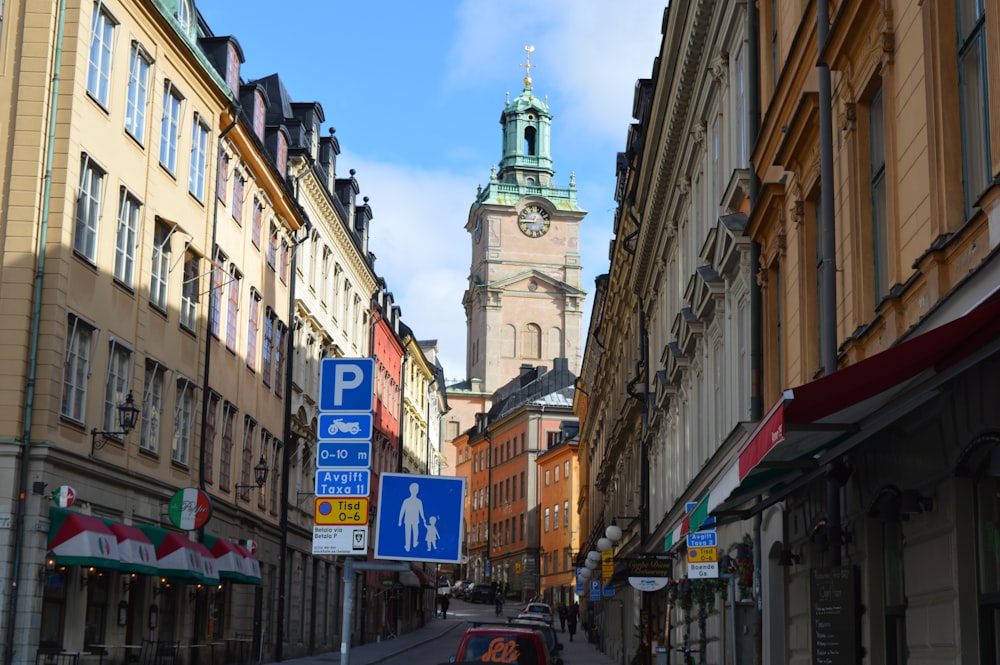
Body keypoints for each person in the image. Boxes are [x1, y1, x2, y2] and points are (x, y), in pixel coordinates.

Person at [398, 482, 425, 552]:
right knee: (408, 533)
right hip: (408, 519)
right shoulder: (406, 501)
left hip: (415, 519)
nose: (416, 490)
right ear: (411, 490)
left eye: (416, 489)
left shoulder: (419, 501)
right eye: (415, 489)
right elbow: (402, 511)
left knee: (416, 531)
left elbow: (421, 512)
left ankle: (415, 542)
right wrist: (400, 520)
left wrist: (423, 519)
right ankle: (407, 546)